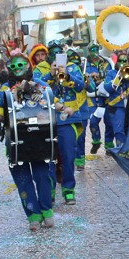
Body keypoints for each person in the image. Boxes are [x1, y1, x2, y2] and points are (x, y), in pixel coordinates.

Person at [0, 53, 57, 230]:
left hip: (40, 140)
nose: (17, 69)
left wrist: (65, 108)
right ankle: (33, 215)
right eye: (13, 66)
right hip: (16, 142)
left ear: (28, 66)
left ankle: (47, 211)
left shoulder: (41, 85)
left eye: (21, 65)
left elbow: (53, 104)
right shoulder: (5, 90)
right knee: (23, 180)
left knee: (43, 176)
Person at [49, 50, 87, 205]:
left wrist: (68, 76)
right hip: (49, 120)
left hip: (69, 119)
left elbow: (81, 86)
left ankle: (69, 190)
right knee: (49, 158)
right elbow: (37, 87)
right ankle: (49, 191)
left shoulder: (73, 68)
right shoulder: (43, 68)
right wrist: (51, 74)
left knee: (68, 156)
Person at [101, 55, 129, 150]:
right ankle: (121, 151)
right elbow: (107, 88)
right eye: (120, 60)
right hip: (117, 107)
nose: (122, 63)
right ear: (117, 62)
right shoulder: (112, 73)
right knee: (119, 131)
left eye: (125, 60)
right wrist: (119, 77)